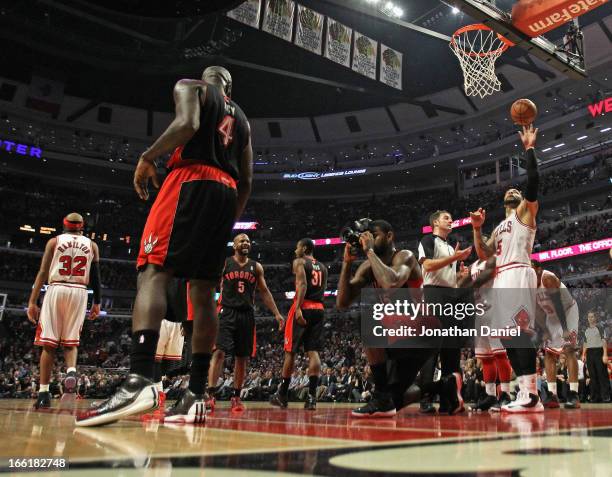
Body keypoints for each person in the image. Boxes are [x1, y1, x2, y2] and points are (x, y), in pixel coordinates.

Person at [76, 66, 252, 426]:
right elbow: (247, 179)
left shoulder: (192, 86)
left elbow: (187, 125)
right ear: (230, 86)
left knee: (153, 272)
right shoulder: (244, 120)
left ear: (208, 79)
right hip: (227, 193)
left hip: (190, 180)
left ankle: (140, 378)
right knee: (203, 292)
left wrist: (147, 156)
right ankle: (196, 394)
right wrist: (225, 218)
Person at [337, 220, 458, 418]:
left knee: (367, 318)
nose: (368, 240)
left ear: (389, 236)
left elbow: (391, 282)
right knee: (394, 399)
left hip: (422, 333)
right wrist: (347, 263)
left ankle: (384, 398)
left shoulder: (405, 256)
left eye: (373, 235)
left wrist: (369, 252)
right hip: (397, 335)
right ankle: (440, 387)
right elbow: (342, 303)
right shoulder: (369, 267)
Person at [470, 124, 542, 413]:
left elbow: (534, 181)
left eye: (516, 188)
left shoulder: (526, 211)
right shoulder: (499, 226)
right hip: (501, 277)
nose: (513, 189)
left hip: (518, 271)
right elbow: (485, 252)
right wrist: (477, 229)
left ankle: (531, 393)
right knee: (509, 336)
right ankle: (525, 393)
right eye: (509, 189)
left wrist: (529, 149)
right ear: (503, 201)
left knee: (520, 333)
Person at [28, 213, 101, 409]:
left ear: (65, 225)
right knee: (71, 342)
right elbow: (96, 276)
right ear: (82, 226)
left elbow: (43, 272)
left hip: (56, 288)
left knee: (48, 345)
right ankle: (70, 370)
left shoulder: (54, 242)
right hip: (79, 292)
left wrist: (32, 302)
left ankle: (43, 393)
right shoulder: (92, 245)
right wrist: (97, 302)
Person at [206, 233, 284, 413]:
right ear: (234, 245)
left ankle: (236, 397)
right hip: (226, 311)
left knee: (242, 357)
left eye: (248, 241)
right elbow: (212, 285)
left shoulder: (256, 267)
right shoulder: (225, 263)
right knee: (219, 352)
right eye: (242, 240)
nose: (245, 243)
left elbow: (264, 292)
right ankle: (211, 395)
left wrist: (277, 314)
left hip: (247, 314)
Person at [417, 210, 472, 414]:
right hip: (433, 295)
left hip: (451, 295)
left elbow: (452, 280)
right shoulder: (428, 240)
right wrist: (454, 259)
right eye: (447, 218)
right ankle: (425, 398)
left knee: (452, 350)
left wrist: (461, 276)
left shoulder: (450, 247)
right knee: (432, 349)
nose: (451, 220)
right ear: (435, 222)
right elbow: (429, 266)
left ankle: (449, 399)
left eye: (451, 218)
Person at [270, 238, 328, 411]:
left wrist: (297, 309)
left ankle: (282, 394)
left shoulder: (299, 262)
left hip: (304, 306)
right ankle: (311, 398)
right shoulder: (323, 267)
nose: (295, 251)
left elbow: (302, 285)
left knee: (290, 352)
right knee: (313, 352)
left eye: (297, 247)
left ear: (304, 248)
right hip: (319, 308)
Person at [532, 261, 581, 409]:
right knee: (549, 354)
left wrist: (565, 329)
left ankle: (573, 394)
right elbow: (537, 311)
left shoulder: (547, 278)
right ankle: (552, 395)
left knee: (569, 350)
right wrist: (545, 331)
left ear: (539, 269)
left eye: (531, 269)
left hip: (567, 312)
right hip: (551, 316)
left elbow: (558, 304)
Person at [581, 311, 610, 403]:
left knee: (602, 375)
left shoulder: (600, 328)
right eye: (589, 317)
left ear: (595, 318)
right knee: (592, 376)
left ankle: (605, 397)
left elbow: (604, 341)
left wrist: (605, 354)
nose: (590, 318)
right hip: (589, 353)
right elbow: (585, 343)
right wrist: (583, 354)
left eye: (592, 317)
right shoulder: (586, 330)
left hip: (599, 352)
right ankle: (595, 397)